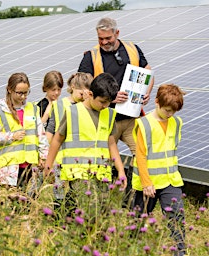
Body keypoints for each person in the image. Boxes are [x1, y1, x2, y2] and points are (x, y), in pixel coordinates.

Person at [78, 17, 153, 201]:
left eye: (108, 38)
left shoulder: (132, 49)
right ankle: (102, 197)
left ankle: (134, 196)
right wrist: (111, 99)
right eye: (100, 39)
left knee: (143, 155)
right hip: (104, 119)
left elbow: (148, 71)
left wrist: (147, 92)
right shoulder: (91, 56)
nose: (104, 42)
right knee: (102, 159)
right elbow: (84, 86)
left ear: (117, 33)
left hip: (131, 117)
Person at [45, 73, 127, 214]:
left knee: (102, 213)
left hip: (102, 174)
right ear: (90, 94)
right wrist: (48, 165)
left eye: (108, 102)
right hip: (78, 173)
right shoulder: (72, 112)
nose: (105, 106)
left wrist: (121, 170)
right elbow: (57, 139)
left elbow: (112, 144)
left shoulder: (108, 114)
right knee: (89, 209)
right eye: (102, 101)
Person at [132, 84, 186, 255]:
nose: (170, 114)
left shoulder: (176, 123)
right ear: (156, 102)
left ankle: (180, 252)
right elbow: (140, 155)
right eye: (167, 110)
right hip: (148, 183)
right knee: (138, 221)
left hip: (171, 180)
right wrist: (146, 182)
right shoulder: (144, 124)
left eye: (173, 111)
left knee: (177, 217)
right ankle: (131, 249)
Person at [0, 73, 48, 195]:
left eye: (26, 93)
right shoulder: (0, 111)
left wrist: (43, 156)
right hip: (11, 166)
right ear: (10, 90)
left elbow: (41, 134)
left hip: (30, 165)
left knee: (29, 201)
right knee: (13, 202)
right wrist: (11, 136)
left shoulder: (32, 108)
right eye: (19, 93)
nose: (23, 96)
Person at [45, 72, 93, 206]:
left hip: (80, 160)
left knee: (76, 193)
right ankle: (57, 218)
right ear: (72, 87)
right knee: (59, 192)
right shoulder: (60, 105)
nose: (83, 95)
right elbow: (50, 131)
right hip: (61, 158)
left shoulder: (89, 107)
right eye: (80, 91)